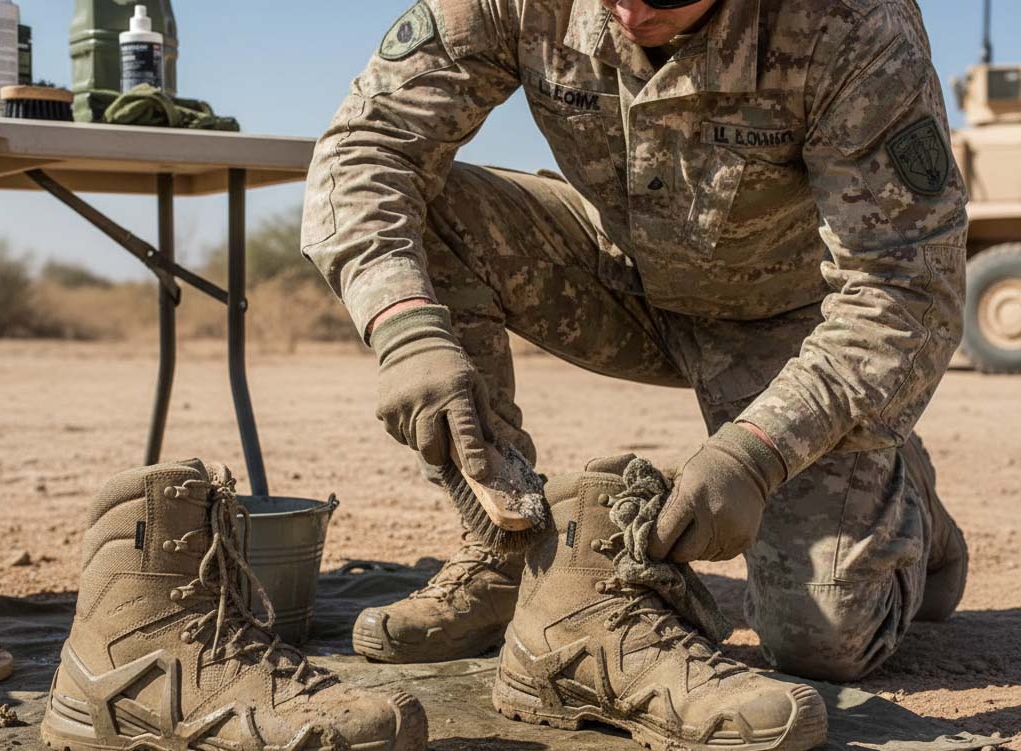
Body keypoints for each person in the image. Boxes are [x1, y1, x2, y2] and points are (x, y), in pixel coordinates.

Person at [301, 0, 968, 689]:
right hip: (616, 274)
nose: (631, 10)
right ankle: (503, 550)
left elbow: (905, 284)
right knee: (428, 218)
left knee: (821, 641)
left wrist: (759, 454)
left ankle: (902, 491)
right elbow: (367, 148)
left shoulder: (852, 24)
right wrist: (406, 327)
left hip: (792, 325)